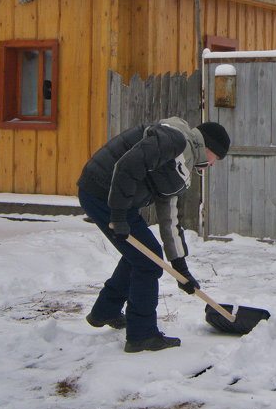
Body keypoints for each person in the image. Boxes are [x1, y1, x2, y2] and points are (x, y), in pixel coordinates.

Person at [77, 116, 231, 353]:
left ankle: (104, 312)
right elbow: (125, 166)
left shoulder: (182, 163)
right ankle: (141, 335)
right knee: (148, 261)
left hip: (115, 198)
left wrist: (180, 267)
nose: (213, 165)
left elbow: (169, 218)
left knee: (141, 253)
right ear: (208, 147)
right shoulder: (173, 140)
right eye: (216, 159)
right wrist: (118, 215)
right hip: (102, 192)